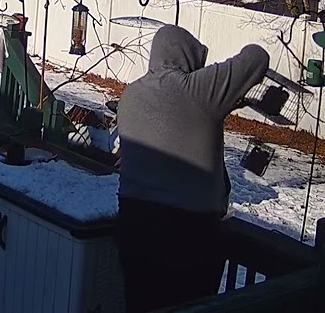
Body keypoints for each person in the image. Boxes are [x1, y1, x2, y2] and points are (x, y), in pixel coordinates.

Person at [114, 24, 269, 313]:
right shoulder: (197, 91)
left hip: (133, 225)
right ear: (187, 57)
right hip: (187, 235)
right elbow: (256, 57)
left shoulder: (130, 95)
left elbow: (174, 124)